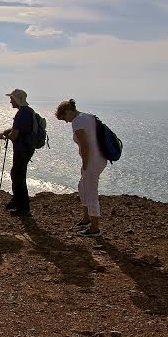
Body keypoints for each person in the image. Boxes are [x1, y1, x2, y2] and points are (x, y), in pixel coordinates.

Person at [56, 99, 108, 237]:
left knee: (91, 191)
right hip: (100, 158)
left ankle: (95, 228)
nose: (66, 122)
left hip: (92, 160)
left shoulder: (77, 121)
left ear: (67, 112)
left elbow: (85, 146)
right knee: (82, 186)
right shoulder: (88, 116)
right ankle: (86, 219)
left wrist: (85, 163)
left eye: (64, 118)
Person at [0, 89, 34, 216]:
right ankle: (17, 201)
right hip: (27, 148)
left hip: (21, 150)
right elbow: (18, 129)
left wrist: (5, 136)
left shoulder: (21, 114)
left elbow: (14, 135)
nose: (10, 101)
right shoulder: (29, 112)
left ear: (17, 99)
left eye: (12, 98)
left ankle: (23, 207)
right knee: (17, 174)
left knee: (18, 177)